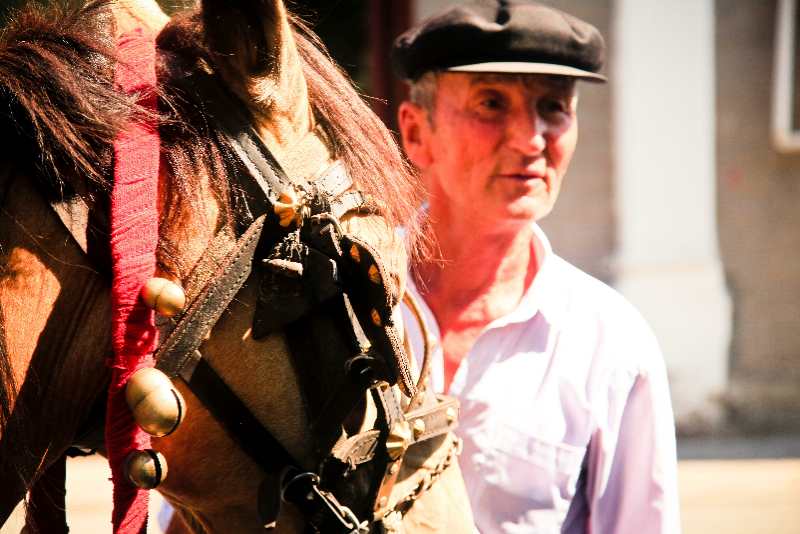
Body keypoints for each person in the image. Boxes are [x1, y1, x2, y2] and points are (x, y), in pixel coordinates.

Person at [392, 2, 681, 533]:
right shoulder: (345, 301)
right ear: (416, 132)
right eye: (490, 103)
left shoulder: (609, 342)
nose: (530, 139)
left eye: (553, 107)